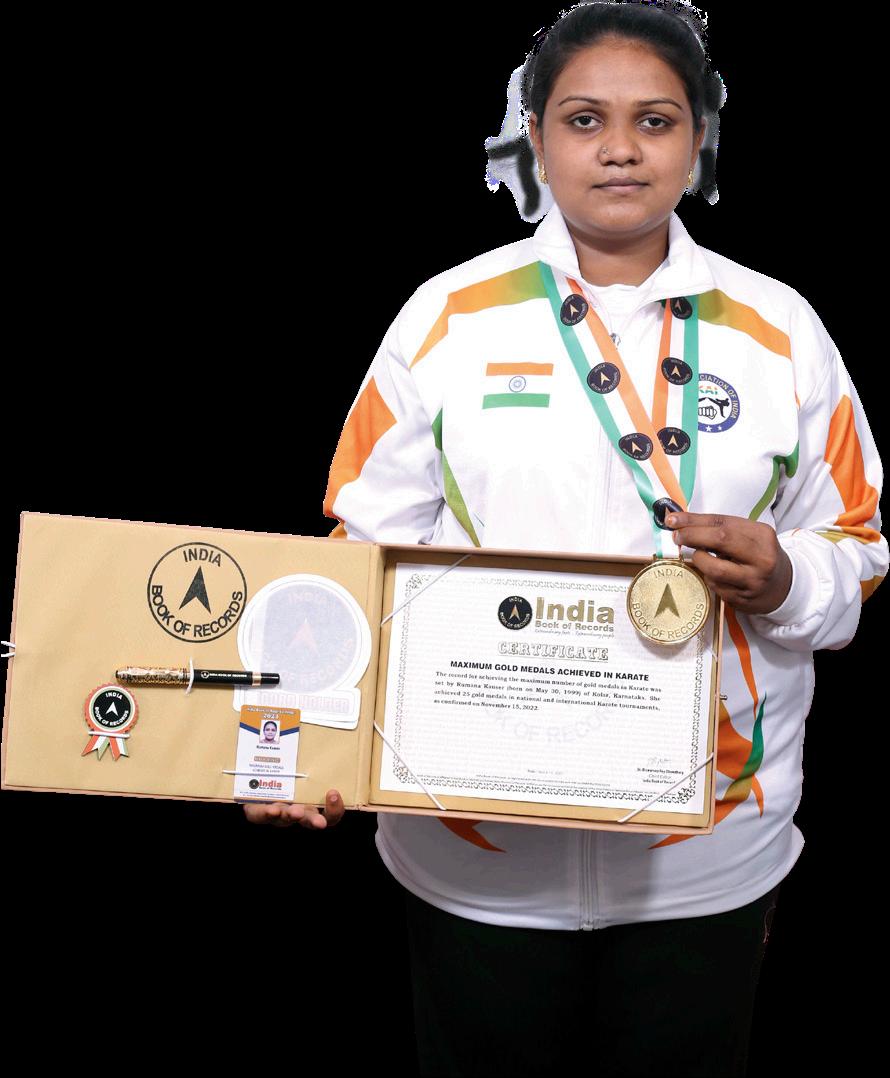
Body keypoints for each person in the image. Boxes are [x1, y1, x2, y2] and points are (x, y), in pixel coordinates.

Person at [245, 2, 888, 1074]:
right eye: (585, 120)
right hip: (471, 842)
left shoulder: (782, 329)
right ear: (535, 139)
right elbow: (355, 560)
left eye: (655, 121)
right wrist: (305, 743)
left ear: (697, 141)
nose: (620, 148)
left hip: (709, 845)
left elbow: (855, 546)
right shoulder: (445, 317)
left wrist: (785, 575)